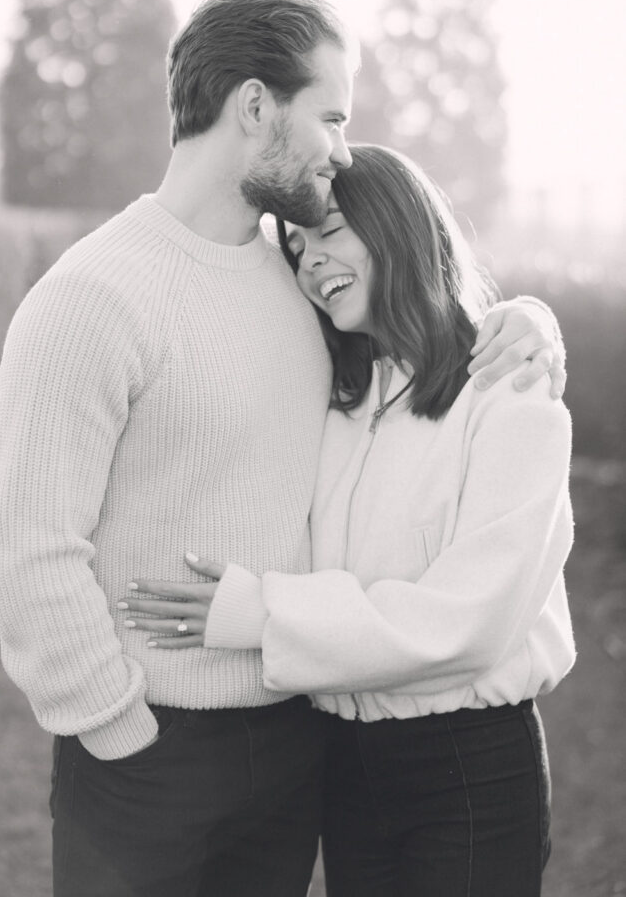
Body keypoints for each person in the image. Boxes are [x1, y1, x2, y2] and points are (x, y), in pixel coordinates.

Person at [0, 0, 565, 897]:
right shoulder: (88, 297)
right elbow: (27, 548)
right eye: (330, 117)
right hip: (147, 751)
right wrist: (117, 728)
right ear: (255, 105)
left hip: (298, 748)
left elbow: (418, 321)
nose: (341, 149)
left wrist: (531, 322)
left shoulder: (298, 294)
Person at [123, 146, 574, 897]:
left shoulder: (510, 394)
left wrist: (263, 615)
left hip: (468, 770)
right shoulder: (334, 399)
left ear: (399, 224)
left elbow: (468, 624)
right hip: (345, 765)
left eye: (329, 231)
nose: (310, 262)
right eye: (297, 248)